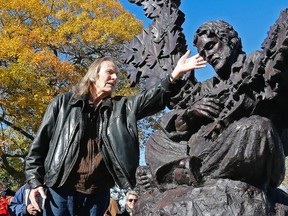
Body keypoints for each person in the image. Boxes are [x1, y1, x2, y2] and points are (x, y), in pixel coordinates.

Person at [25, 51, 207, 215]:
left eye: (117, 74)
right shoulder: (63, 103)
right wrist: (34, 182)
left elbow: (149, 98)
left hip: (97, 193)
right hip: (60, 189)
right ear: (94, 75)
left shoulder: (121, 107)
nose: (114, 77)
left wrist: (175, 74)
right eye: (109, 72)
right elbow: (40, 144)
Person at [141, 20, 287, 192]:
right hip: (210, 151)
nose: (207, 55)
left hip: (251, 151)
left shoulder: (255, 63)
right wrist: (191, 114)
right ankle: (185, 173)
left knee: (257, 128)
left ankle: (183, 175)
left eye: (210, 46)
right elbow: (177, 125)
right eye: (202, 53)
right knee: (156, 140)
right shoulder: (208, 86)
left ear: (230, 41)